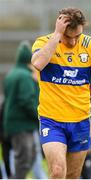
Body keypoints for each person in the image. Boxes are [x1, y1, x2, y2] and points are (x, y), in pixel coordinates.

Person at [31, 7, 91, 179]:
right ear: (59, 29)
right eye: (68, 36)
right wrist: (57, 35)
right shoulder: (43, 43)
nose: (73, 42)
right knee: (57, 171)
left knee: (73, 175)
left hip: (80, 120)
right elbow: (38, 64)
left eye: (77, 36)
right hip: (52, 120)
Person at [3, 41, 37, 179]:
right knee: (24, 160)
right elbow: (27, 101)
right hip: (22, 124)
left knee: (27, 157)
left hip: (13, 124)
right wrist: (40, 116)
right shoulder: (24, 76)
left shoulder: (12, 74)